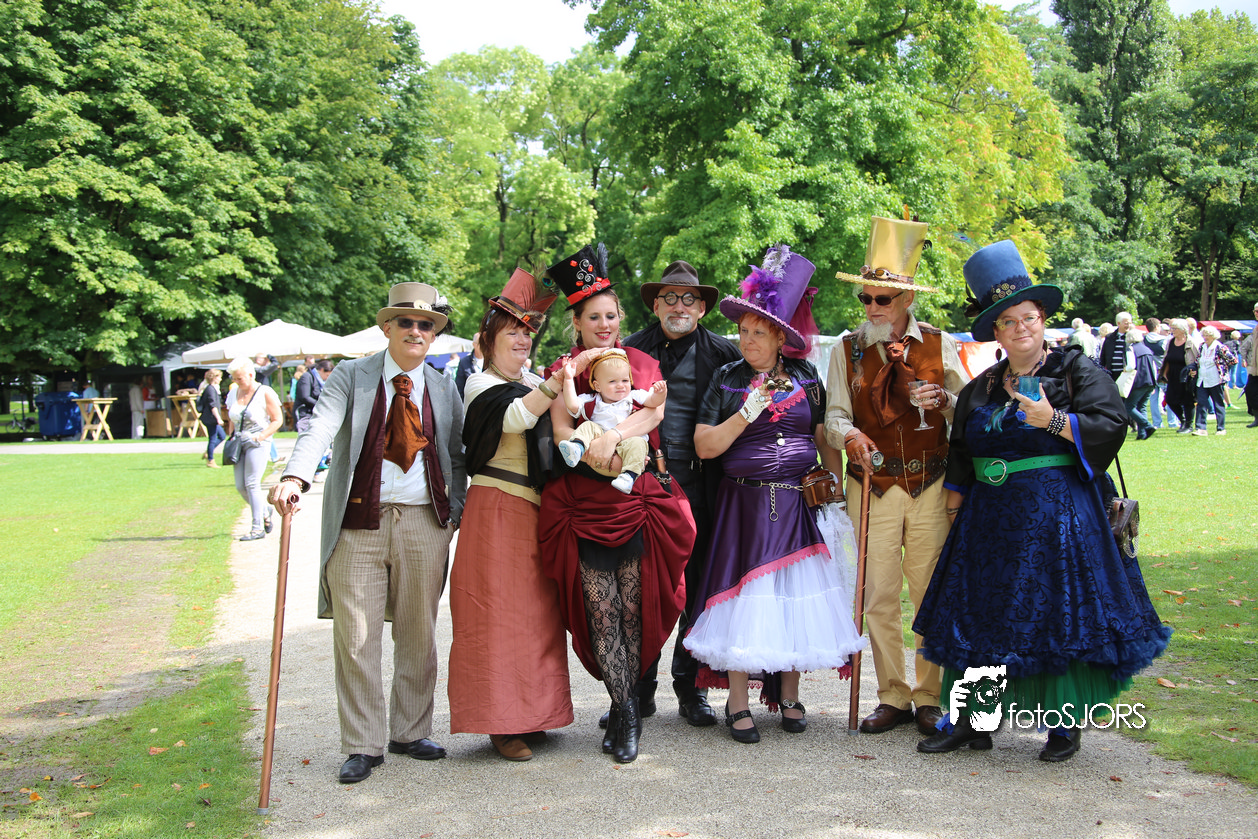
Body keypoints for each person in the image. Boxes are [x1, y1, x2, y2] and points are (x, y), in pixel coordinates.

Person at [913, 239, 1171, 762]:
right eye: (1007, 322)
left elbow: (1111, 423)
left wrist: (1053, 420)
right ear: (996, 331)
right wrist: (955, 506)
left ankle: (1063, 724)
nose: (1020, 328)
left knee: (1058, 613)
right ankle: (973, 720)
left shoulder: (1076, 372)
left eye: (1027, 317)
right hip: (988, 520)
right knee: (981, 613)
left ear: (1043, 319)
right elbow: (961, 448)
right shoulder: (983, 386)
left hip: (1059, 519)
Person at [269, 282, 466, 784]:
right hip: (359, 522)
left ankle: (410, 732)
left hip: (425, 522)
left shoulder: (443, 387)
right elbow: (318, 427)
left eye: (426, 325)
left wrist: (456, 512)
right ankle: (363, 743)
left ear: (434, 334)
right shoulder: (351, 377)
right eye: (406, 322)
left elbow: (458, 455)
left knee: (419, 634)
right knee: (356, 637)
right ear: (387, 328)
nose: (416, 331)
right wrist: (295, 476)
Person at [687, 245, 866, 743]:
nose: (747, 340)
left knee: (791, 597)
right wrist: (747, 413)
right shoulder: (726, 379)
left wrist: (832, 488)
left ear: (781, 337)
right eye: (743, 331)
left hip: (796, 503)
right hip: (743, 505)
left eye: (758, 333)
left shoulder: (807, 377)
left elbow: (821, 437)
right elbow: (704, 446)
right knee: (745, 597)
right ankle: (737, 702)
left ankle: (789, 694)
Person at [538, 243, 693, 764]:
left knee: (632, 607)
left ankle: (626, 703)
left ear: (620, 318)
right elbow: (561, 427)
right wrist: (589, 449)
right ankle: (625, 709)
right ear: (576, 322)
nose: (603, 325)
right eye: (593, 317)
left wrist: (610, 437)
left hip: (633, 499)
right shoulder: (563, 371)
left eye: (610, 315)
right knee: (600, 610)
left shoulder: (642, 363)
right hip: (583, 502)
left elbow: (652, 416)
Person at [825, 215, 969, 736]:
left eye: (881, 299)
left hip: (930, 484)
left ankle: (930, 695)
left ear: (906, 298)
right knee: (878, 596)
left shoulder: (938, 343)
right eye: (865, 298)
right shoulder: (846, 349)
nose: (871, 308)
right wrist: (849, 436)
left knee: (928, 591)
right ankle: (892, 695)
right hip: (873, 486)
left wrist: (944, 399)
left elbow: (968, 410)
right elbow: (834, 415)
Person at [447, 268, 573, 762]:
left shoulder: (536, 381)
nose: (523, 339)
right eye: (512, 332)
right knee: (495, 614)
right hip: (496, 508)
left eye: (528, 331)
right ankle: (501, 723)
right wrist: (557, 383)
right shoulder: (480, 383)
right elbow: (517, 417)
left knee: (537, 614)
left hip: (536, 510)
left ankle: (535, 714)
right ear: (487, 341)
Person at [623, 259, 742, 726]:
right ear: (656, 305)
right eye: (669, 298)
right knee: (643, 587)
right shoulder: (630, 349)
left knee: (697, 588)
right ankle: (639, 690)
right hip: (643, 485)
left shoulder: (725, 354)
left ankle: (692, 690)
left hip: (702, 486)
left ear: (702, 308)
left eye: (688, 299)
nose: (679, 306)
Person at [559, 350, 667, 494]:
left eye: (625, 380)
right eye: (612, 381)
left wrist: (660, 394)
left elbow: (653, 403)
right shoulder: (593, 400)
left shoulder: (634, 396)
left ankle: (629, 476)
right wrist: (568, 379)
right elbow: (572, 405)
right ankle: (577, 447)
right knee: (588, 426)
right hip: (600, 439)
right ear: (597, 386)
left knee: (639, 443)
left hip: (627, 440)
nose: (620, 385)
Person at [224, 357, 283, 540]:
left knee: (252, 483)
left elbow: (277, 419)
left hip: (258, 442)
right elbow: (232, 419)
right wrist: (231, 437)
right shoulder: (233, 393)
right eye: (234, 378)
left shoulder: (264, 392)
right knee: (240, 486)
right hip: (239, 442)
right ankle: (265, 511)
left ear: (251, 375)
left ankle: (257, 528)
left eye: (239, 378)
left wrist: (262, 436)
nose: (236, 381)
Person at [1192, 325, 1234, 436]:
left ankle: (1221, 428)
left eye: (1208, 335)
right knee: (1201, 404)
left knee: (1218, 404)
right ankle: (1201, 428)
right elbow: (1197, 360)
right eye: (1204, 335)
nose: (1205, 337)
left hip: (1216, 380)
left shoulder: (1220, 347)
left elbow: (1233, 360)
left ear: (1213, 336)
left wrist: (1222, 369)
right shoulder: (1202, 346)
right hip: (1202, 379)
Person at [1158, 319, 1198, 433]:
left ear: (1182, 330)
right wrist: (1163, 373)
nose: (1172, 330)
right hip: (1173, 375)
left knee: (1188, 401)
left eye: (1175, 329)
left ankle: (1189, 425)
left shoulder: (1191, 342)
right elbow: (1167, 358)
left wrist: (1194, 370)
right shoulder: (1171, 342)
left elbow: (1197, 358)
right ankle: (1183, 420)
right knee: (1170, 400)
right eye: (1172, 328)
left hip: (1186, 376)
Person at [1126, 331, 1158, 440]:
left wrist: (1125, 369)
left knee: (1129, 406)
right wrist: (1154, 382)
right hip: (1150, 381)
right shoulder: (1147, 349)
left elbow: (1131, 366)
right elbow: (1153, 367)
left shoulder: (1131, 348)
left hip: (1139, 381)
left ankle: (1147, 426)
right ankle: (1142, 434)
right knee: (1142, 407)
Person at [1142, 318, 1169, 429]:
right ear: (1157, 327)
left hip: (1150, 372)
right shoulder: (1164, 340)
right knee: (1169, 396)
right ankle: (1172, 421)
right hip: (1163, 371)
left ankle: (1157, 422)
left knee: (1153, 398)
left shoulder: (1143, 340)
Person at [295, 359, 333, 432]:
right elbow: (305, 397)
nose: (327, 378)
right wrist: (321, 405)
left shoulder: (320, 382)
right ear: (321, 370)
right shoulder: (307, 377)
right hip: (305, 414)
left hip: (316, 414)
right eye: (327, 375)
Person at [198, 369, 226, 468]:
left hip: (211, 418)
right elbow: (212, 405)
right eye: (219, 377)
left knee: (222, 436)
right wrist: (218, 418)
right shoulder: (210, 389)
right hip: (210, 418)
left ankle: (208, 452)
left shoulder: (212, 388)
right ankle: (210, 460)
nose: (220, 379)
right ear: (214, 377)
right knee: (213, 438)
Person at [454, 333, 484, 398]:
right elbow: (459, 387)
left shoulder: (492, 361)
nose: (484, 346)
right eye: (481, 343)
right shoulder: (464, 362)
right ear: (474, 344)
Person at [1244, 309, 1258, 427]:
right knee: (1250, 390)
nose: (1256, 313)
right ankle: (1257, 418)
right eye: (1255, 311)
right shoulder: (1256, 328)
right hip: (1255, 367)